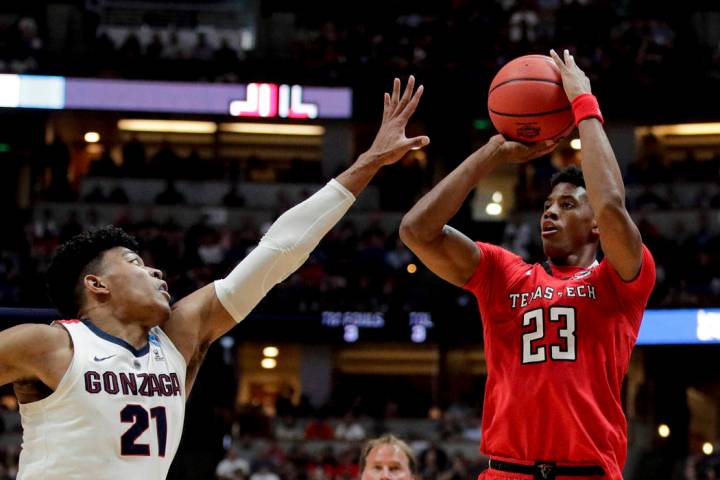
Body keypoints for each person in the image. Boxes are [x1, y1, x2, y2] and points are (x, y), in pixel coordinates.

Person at [0, 77, 429, 479]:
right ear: (97, 285)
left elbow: (278, 253)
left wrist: (369, 162)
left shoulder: (178, 338)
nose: (154, 270)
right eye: (133, 262)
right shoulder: (48, 344)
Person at [400, 49, 655, 480]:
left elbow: (611, 205)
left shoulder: (622, 278)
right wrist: (492, 153)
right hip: (507, 472)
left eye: (568, 204)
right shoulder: (505, 273)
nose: (550, 212)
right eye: (548, 204)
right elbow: (416, 230)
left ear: (595, 227)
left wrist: (584, 105)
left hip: (587, 472)